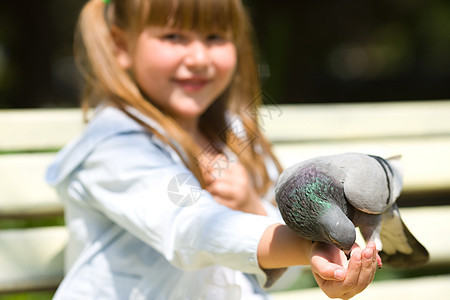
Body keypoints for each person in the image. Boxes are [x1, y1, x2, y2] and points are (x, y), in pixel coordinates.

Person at [46, 0, 378, 299]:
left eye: (215, 37)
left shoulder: (237, 137)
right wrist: (305, 246)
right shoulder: (115, 145)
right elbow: (188, 228)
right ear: (121, 45)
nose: (199, 58)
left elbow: (281, 275)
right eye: (173, 37)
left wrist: (252, 206)